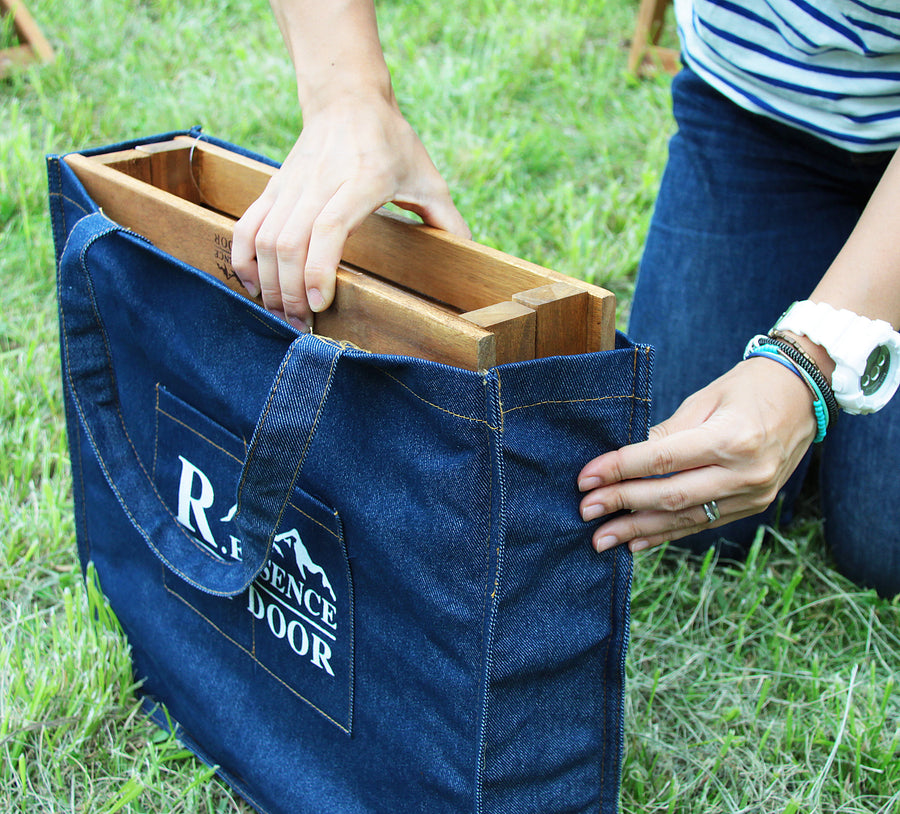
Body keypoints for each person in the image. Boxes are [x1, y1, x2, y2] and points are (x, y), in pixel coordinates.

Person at [232, 0, 900, 597]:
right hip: (758, 106)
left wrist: (809, 358)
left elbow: (807, 372)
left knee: (883, 543)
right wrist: (349, 97)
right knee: (685, 504)